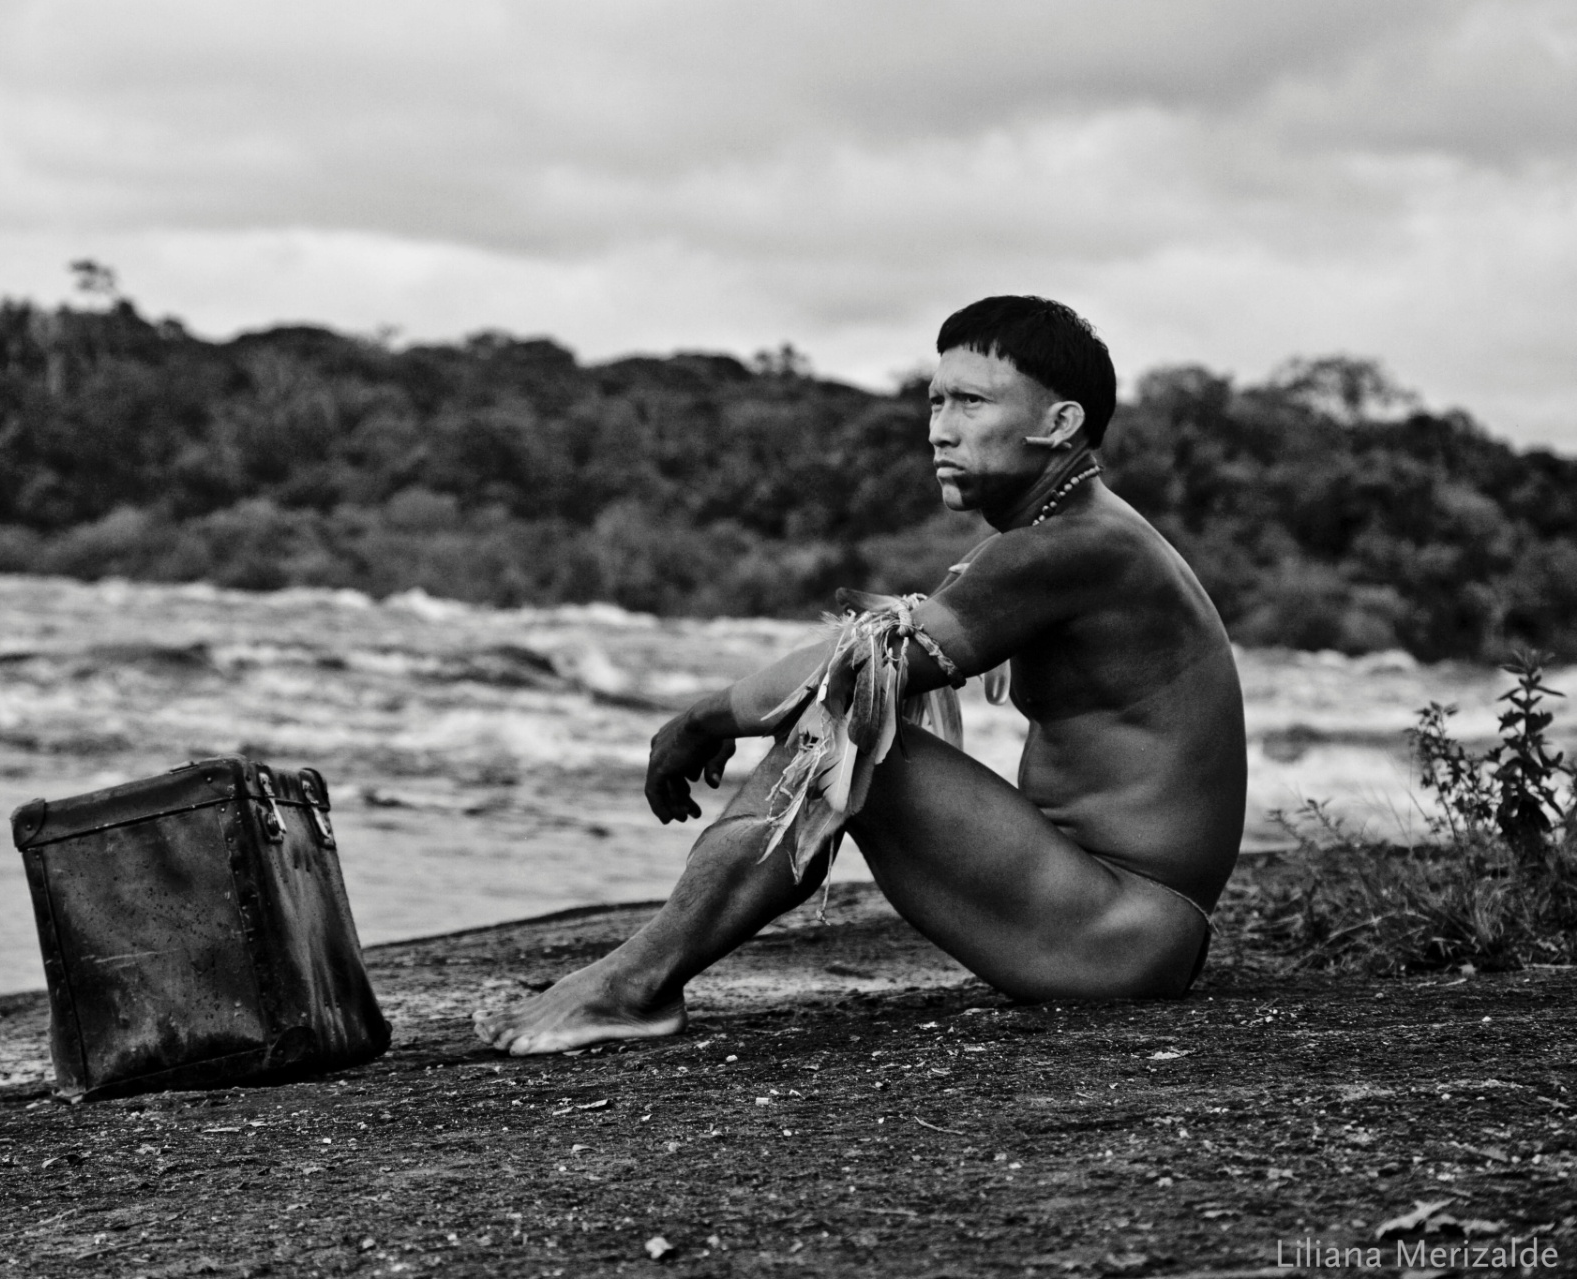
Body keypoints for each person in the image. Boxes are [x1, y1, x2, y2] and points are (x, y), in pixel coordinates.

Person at [474, 296, 1248, 1056]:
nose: (940, 428)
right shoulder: (1073, 532)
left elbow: (860, 667)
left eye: (972, 402)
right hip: (1118, 921)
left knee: (847, 726)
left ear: (1059, 423)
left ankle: (636, 982)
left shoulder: (1073, 545)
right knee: (856, 711)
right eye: (935, 401)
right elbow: (886, 646)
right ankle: (639, 978)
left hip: (1122, 933)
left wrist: (704, 718)